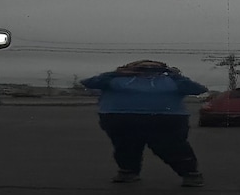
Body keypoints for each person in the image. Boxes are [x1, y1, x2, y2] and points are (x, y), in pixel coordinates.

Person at [80, 59, 208, 186]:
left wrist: (175, 75)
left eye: (154, 69)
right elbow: (89, 83)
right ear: (129, 68)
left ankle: (190, 174)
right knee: (125, 147)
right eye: (142, 68)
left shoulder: (172, 80)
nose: (148, 71)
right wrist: (116, 73)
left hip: (165, 119)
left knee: (173, 148)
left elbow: (198, 89)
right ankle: (128, 172)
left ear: (163, 70)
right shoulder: (113, 79)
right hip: (121, 117)